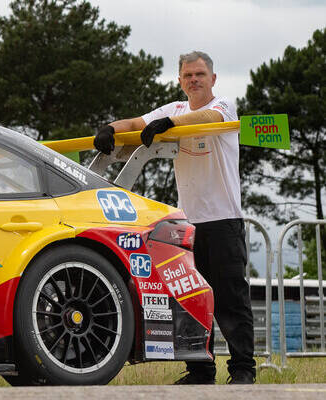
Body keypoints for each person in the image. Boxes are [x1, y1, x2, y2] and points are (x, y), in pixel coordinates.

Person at [94, 51, 254, 385]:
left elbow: (207, 117)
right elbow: (136, 124)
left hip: (223, 220)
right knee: (191, 298)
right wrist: (109, 128)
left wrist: (170, 124)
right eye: (188, 75)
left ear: (213, 78)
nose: (194, 80)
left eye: (200, 74)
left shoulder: (223, 106)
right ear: (180, 81)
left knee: (230, 300)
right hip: (188, 223)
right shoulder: (174, 109)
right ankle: (200, 371)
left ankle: (242, 370)